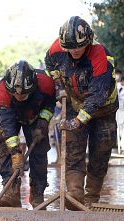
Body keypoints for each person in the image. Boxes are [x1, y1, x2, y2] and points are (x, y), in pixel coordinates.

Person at [45, 16, 118, 209]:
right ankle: (75, 195)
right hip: (75, 104)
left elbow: (97, 94)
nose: (75, 50)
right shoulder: (55, 51)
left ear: (88, 42)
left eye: (79, 46)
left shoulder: (100, 56)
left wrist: (78, 121)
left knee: (101, 151)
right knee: (74, 150)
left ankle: (92, 197)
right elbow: (50, 66)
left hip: (104, 109)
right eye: (70, 47)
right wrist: (59, 84)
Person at [0, 60, 55, 208]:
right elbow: (6, 124)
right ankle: (11, 191)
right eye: (15, 94)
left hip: (35, 116)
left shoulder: (46, 82)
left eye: (24, 94)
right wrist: (15, 152)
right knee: (4, 144)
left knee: (39, 150)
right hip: (11, 116)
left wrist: (43, 122)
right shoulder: (2, 91)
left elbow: (50, 103)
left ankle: (37, 194)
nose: (19, 96)